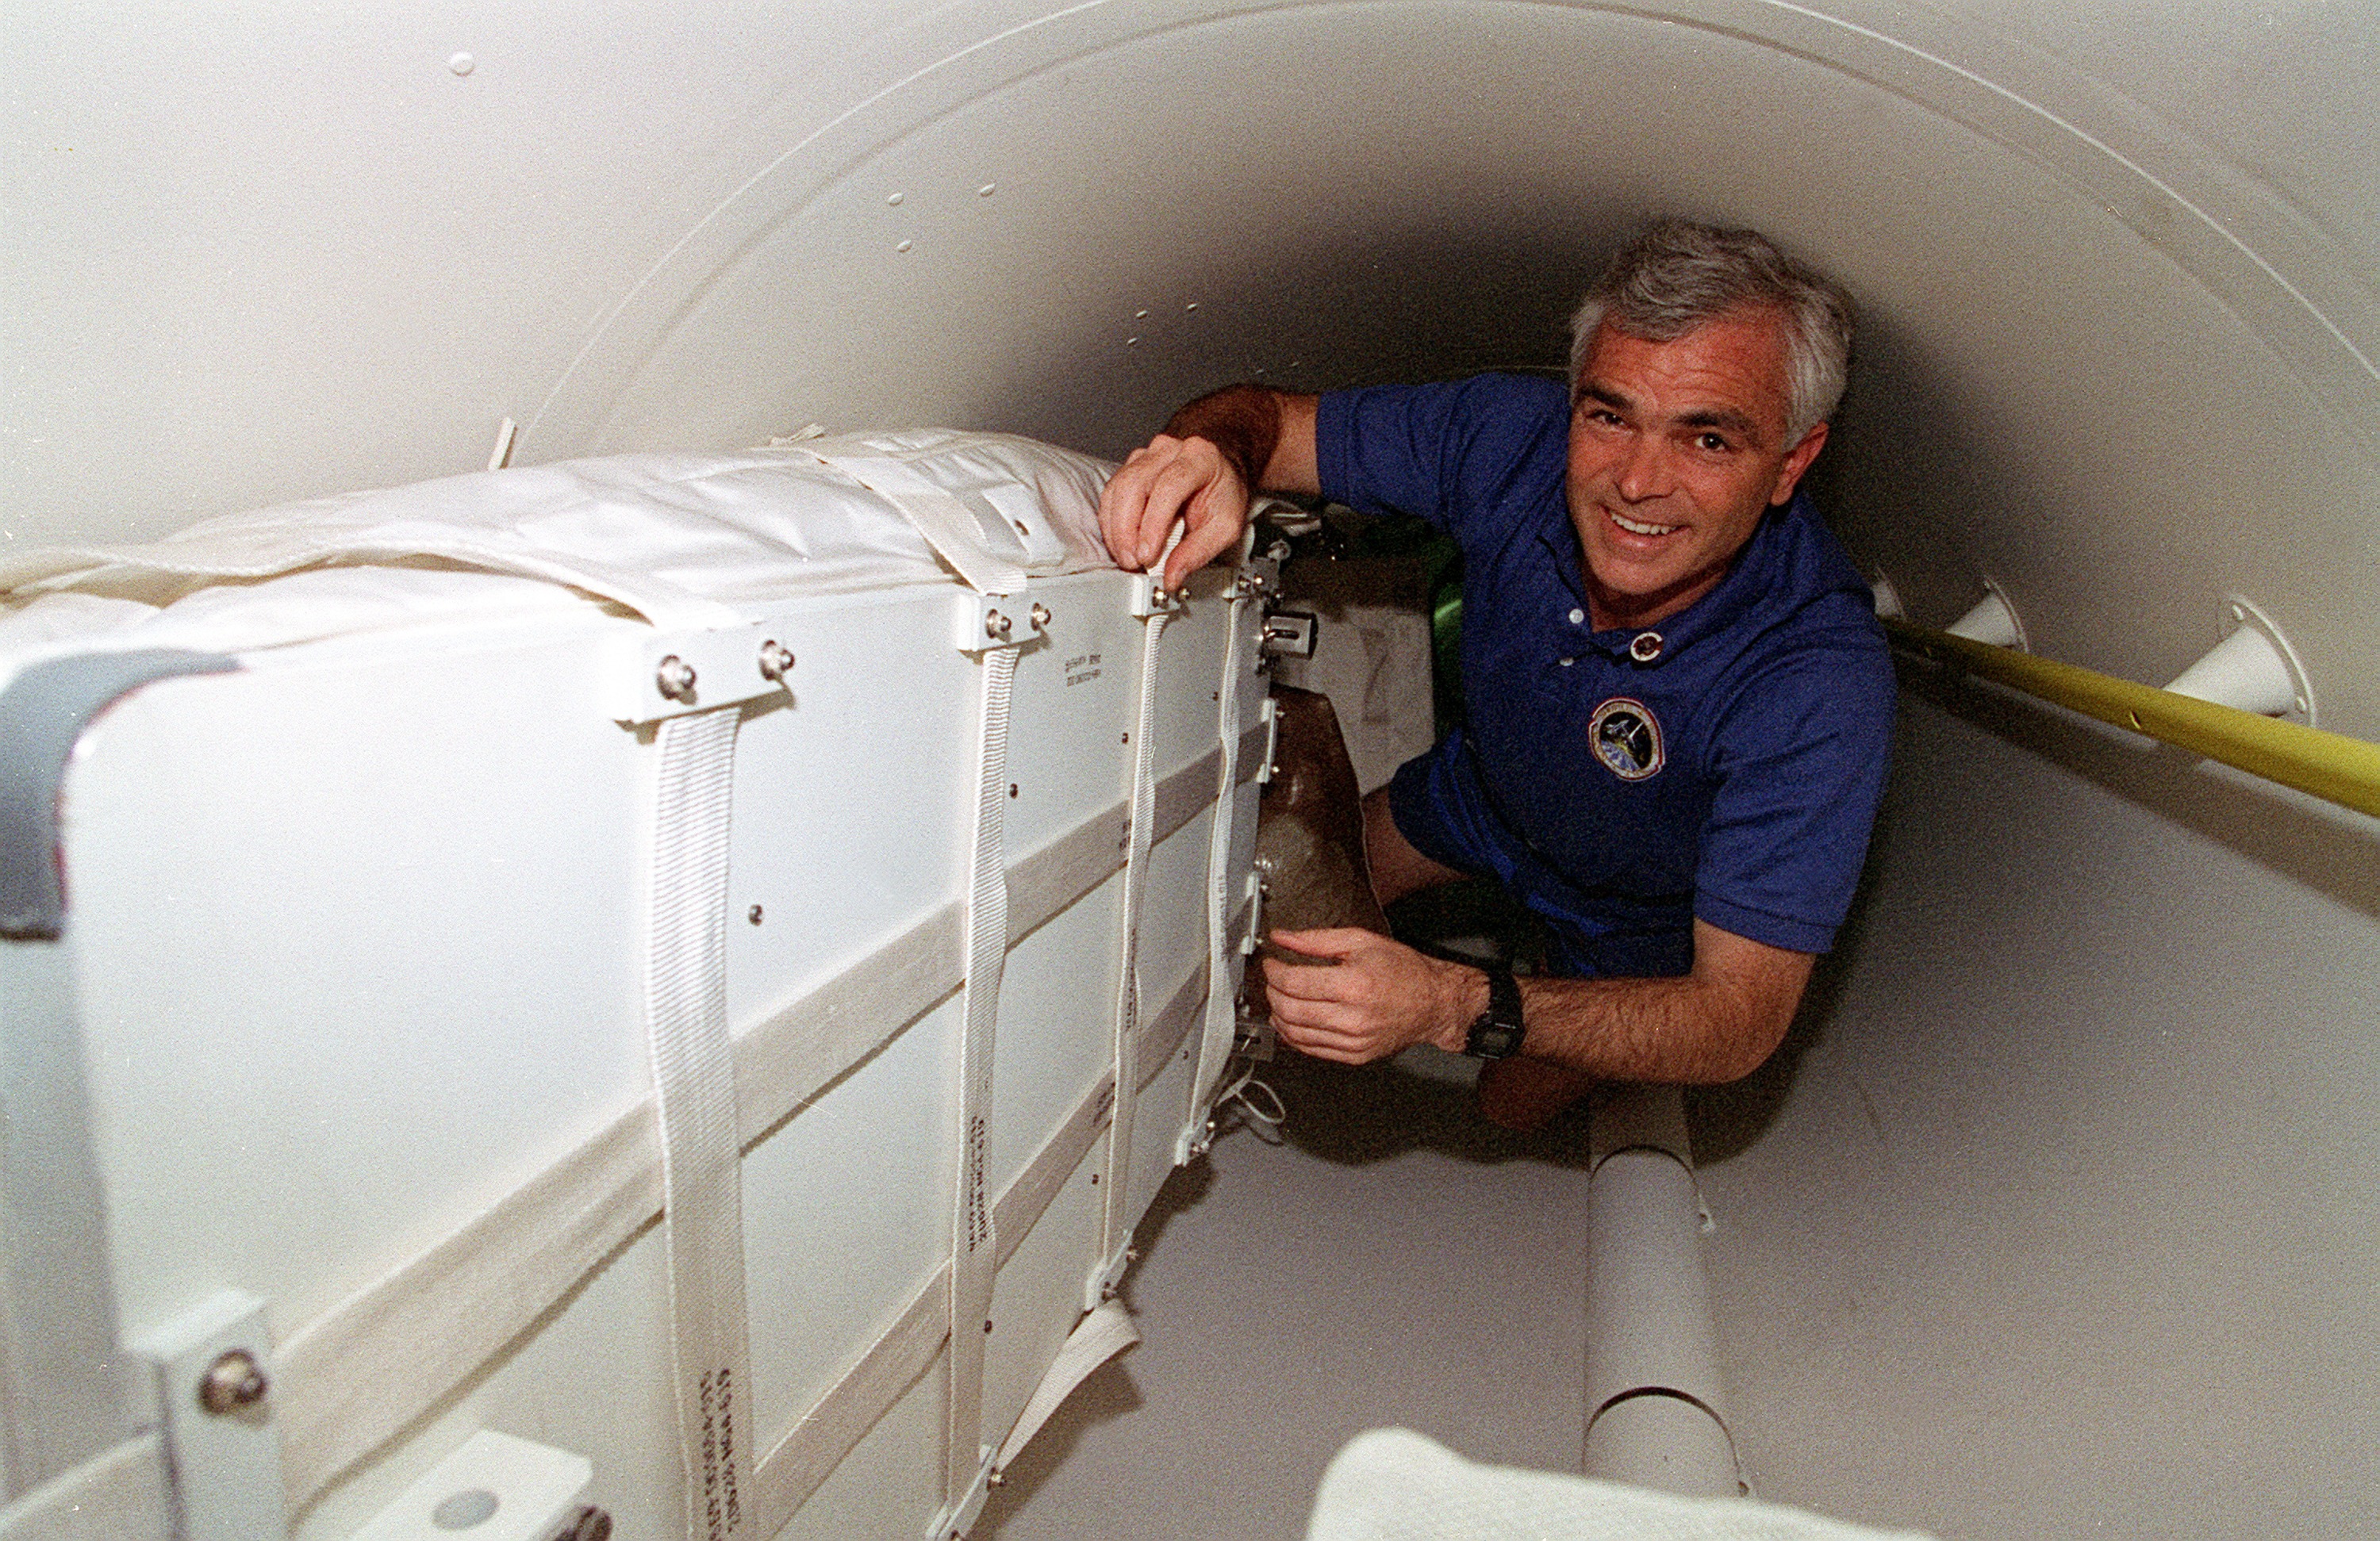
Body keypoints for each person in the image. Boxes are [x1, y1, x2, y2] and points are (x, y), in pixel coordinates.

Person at [1096, 219, 1894, 1123]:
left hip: (1638, 916)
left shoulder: (1818, 680)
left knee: (1505, 1108)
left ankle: (1541, 993)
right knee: (1296, 887)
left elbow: (1737, 1019)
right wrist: (1214, 456)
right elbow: (1269, 420)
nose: (1637, 481)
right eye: (1610, 414)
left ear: (1792, 462)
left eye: (1706, 440)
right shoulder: (1509, 440)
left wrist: (1451, 1002)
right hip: (1488, 794)